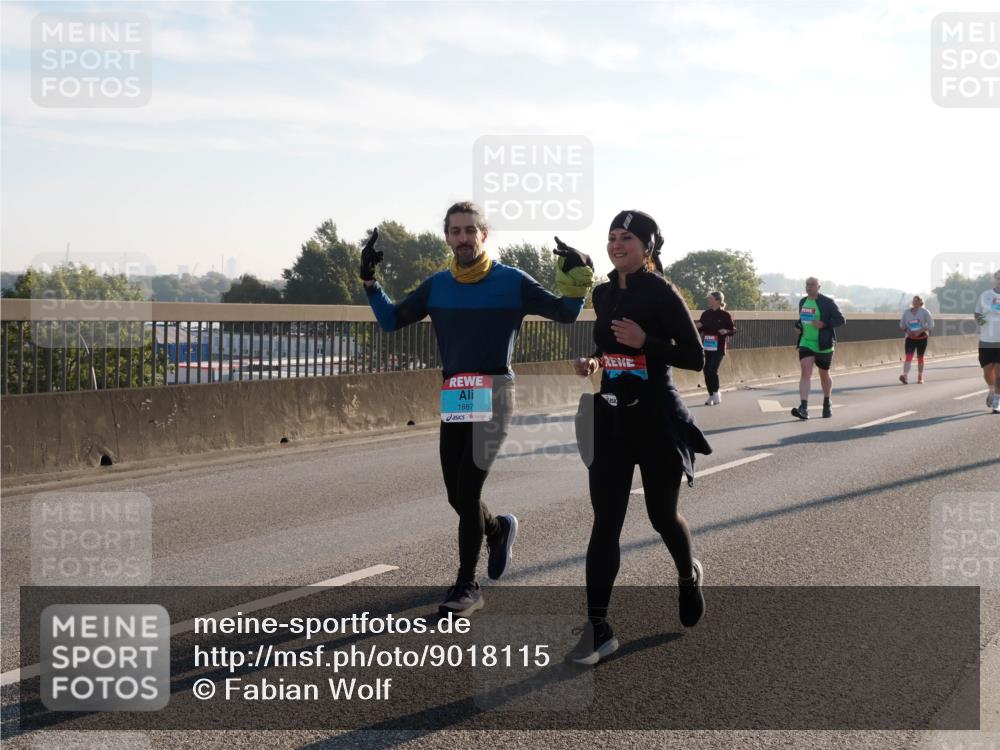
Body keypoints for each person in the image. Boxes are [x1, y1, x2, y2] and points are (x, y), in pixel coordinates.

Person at [361, 202, 594, 615]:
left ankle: (466, 586)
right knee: (456, 493)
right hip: (456, 392)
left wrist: (578, 276)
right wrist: (369, 281)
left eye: (471, 230)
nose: (463, 238)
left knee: (469, 490)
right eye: (456, 231)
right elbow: (392, 321)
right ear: (447, 237)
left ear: (484, 235)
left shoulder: (512, 281)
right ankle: (497, 527)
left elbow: (564, 313)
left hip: (496, 392)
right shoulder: (437, 286)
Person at [569, 210, 711, 665]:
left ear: (647, 246)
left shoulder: (662, 292)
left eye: (627, 238)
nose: (616, 244)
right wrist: (594, 362)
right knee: (605, 522)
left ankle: (687, 576)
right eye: (612, 237)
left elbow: (695, 359)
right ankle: (599, 627)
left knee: (661, 516)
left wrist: (645, 341)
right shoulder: (603, 292)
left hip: (656, 420)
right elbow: (607, 345)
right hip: (611, 420)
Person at [791, 278, 846, 420]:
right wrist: (798, 327)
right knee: (805, 372)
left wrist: (824, 324)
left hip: (823, 344)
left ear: (818, 287)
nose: (809, 287)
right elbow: (804, 320)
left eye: (812, 284)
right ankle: (803, 407)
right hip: (806, 342)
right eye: (807, 284)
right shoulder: (803, 302)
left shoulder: (827, 302)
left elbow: (841, 319)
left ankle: (827, 402)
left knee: (824, 375)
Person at [696, 291, 736, 405]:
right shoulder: (705, 314)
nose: (708, 300)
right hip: (707, 347)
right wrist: (695, 327)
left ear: (718, 301)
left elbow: (733, 330)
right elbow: (699, 327)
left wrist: (726, 331)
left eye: (710, 298)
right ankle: (711, 395)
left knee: (713, 370)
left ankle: (716, 392)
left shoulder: (725, 315)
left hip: (719, 347)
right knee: (706, 370)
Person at [974, 269, 1000, 414]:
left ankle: (997, 400)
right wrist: (983, 321)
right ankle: (991, 390)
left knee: (999, 372)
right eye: (998, 278)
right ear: (995, 279)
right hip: (986, 340)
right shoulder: (985, 295)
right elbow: (977, 313)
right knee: (987, 373)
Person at [899, 296, 933, 384]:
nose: (915, 302)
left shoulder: (925, 312)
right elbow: (902, 324)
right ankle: (905, 376)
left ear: (921, 302)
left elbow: (931, 324)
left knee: (920, 357)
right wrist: (907, 330)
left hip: (922, 338)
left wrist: (920, 330)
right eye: (914, 300)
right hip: (910, 337)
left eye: (917, 301)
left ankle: (920, 376)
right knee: (908, 357)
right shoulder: (907, 312)